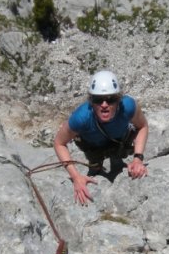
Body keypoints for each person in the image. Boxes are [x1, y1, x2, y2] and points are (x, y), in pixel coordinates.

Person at [54, 70, 149, 205]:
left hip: (119, 141)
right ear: (91, 102)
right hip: (92, 145)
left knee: (118, 157)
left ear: (119, 100)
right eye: (98, 100)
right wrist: (76, 177)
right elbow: (59, 143)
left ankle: (114, 158)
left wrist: (138, 158)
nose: (104, 105)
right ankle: (97, 165)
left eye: (111, 99)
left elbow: (142, 126)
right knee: (95, 165)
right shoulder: (81, 117)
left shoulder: (128, 106)